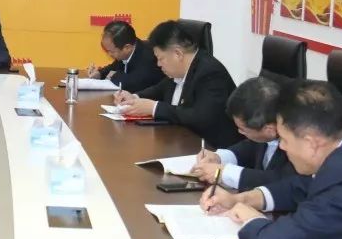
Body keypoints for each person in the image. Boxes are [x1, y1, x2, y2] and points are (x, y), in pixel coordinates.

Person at [201, 80, 342, 239]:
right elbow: (300, 186)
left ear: (311, 143)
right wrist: (241, 200)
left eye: (284, 140)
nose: (281, 147)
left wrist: (251, 219)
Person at [113, 19, 240, 148]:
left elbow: (201, 117)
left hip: (210, 149)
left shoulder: (210, 73)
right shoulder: (179, 71)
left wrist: (154, 108)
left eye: (160, 58)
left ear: (178, 54)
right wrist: (134, 97)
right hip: (182, 142)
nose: (158, 64)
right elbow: (160, 89)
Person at [190, 76, 295, 191]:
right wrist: (218, 158)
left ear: (269, 130)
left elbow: (280, 180)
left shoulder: (297, 143)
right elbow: (249, 148)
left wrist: (224, 173)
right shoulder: (267, 125)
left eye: (243, 129)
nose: (239, 132)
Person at [85, 20, 163, 93]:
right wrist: (99, 73)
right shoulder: (129, 47)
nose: (109, 54)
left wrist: (113, 75)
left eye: (111, 51)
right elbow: (114, 66)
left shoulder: (149, 58)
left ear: (127, 48)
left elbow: (128, 84)